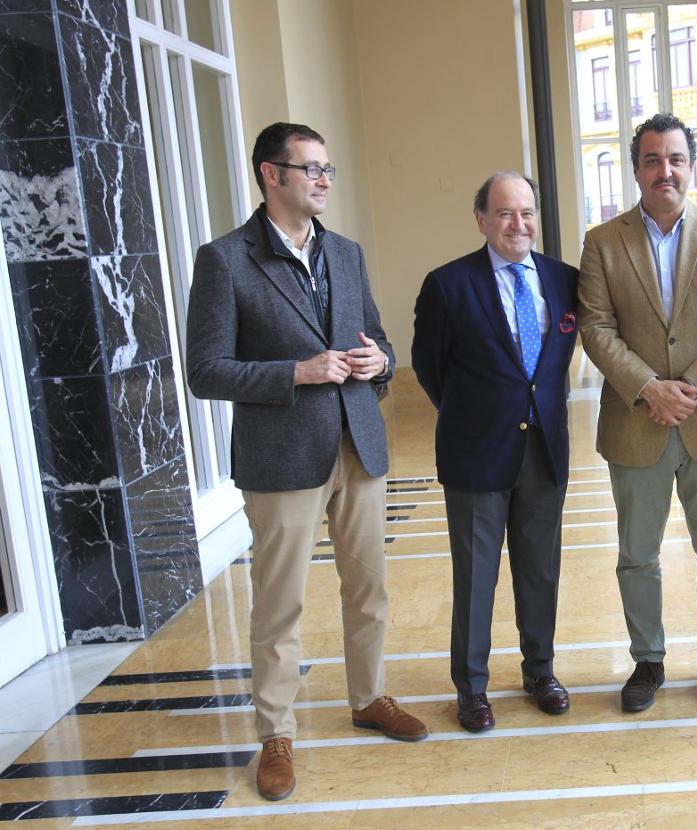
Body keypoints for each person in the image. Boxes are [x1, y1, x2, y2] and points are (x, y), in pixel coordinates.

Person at [186, 123, 426, 801]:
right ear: (271, 174)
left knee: (369, 587)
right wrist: (296, 372)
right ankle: (275, 732)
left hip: (359, 446)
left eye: (327, 169)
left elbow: (375, 338)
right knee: (280, 604)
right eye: (310, 168)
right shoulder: (226, 260)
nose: (323, 179)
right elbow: (204, 371)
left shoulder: (346, 254)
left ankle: (369, 695)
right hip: (281, 456)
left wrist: (382, 361)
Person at [579, 113, 697, 713]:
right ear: (636, 170)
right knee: (637, 554)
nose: (665, 170)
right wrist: (649, 387)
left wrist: (694, 386)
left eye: (675, 158)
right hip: (636, 419)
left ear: (691, 166)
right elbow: (596, 327)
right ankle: (647, 660)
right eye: (652, 159)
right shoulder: (603, 241)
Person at [412, 172, 579, 733]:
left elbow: (553, 368)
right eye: (505, 213)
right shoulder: (448, 285)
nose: (518, 224)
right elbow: (432, 371)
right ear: (481, 219)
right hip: (477, 454)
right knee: (477, 577)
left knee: (540, 572)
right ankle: (473, 689)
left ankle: (541, 672)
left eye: (527, 212)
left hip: (545, 452)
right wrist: (478, 414)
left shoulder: (564, 280)